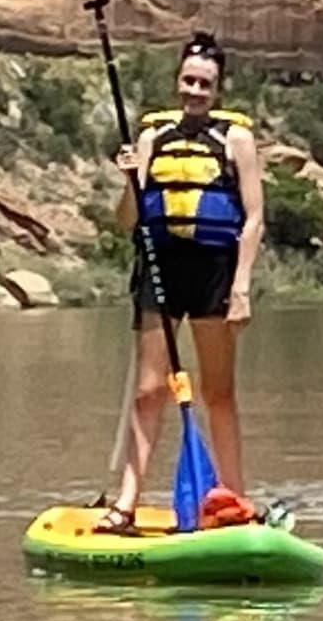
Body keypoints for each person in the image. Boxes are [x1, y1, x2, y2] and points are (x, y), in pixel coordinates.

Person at [100, 30, 267, 528]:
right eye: (189, 81)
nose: (195, 90)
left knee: (219, 392)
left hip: (214, 273)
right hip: (160, 267)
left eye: (205, 84)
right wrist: (129, 179)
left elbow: (254, 219)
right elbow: (128, 219)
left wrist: (240, 288)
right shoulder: (152, 137)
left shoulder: (237, 139)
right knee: (149, 390)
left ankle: (235, 500)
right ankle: (126, 503)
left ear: (218, 90)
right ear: (178, 81)